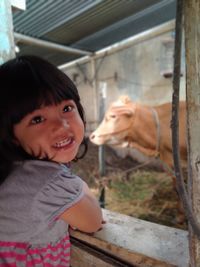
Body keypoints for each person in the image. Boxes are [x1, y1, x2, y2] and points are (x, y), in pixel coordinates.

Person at [0, 55, 103, 266]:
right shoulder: (45, 183)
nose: (61, 126)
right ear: (10, 134)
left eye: (66, 108)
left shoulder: (10, 170)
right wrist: (80, 186)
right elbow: (92, 221)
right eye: (37, 119)